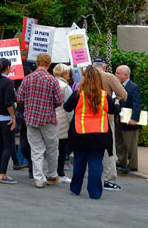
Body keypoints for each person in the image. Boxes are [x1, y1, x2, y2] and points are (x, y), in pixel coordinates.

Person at [63, 66, 118, 199]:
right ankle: (95, 193)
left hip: (80, 132)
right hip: (99, 133)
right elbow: (113, 111)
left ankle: (75, 188)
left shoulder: (78, 94)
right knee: (95, 163)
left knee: (79, 161)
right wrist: (116, 104)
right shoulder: (104, 95)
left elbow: (66, 107)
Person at [16, 53, 63, 188]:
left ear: (36, 63)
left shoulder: (27, 79)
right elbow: (59, 101)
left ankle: (38, 179)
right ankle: (51, 175)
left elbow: (19, 98)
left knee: (36, 150)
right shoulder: (52, 80)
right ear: (48, 65)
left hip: (31, 118)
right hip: (48, 118)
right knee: (52, 148)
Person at [92, 57, 127, 191]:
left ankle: (91, 176)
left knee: (90, 147)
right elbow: (123, 95)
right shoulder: (108, 77)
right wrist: (116, 100)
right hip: (106, 116)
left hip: (87, 116)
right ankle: (109, 180)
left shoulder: (87, 76)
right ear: (105, 66)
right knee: (108, 149)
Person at [0, 58, 18, 184]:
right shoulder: (8, 83)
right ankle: (2, 174)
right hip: (5, 117)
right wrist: (13, 117)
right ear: (8, 67)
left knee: (0, 144)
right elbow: (8, 103)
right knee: (9, 146)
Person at [115, 64, 142, 174]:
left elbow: (137, 104)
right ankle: (121, 161)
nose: (116, 75)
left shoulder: (134, 87)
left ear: (125, 75)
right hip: (119, 118)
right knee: (119, 142)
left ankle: (132, 164)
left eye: (118, 73)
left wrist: (134, 118)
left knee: (130, 143)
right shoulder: (118, 86)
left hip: (129, 119)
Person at [53, 63, 73, 184]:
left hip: (50, 118)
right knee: (62, 148)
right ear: (64, 73)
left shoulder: (50, 82)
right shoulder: (65, 87)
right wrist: (72, 121)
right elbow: (68, 106)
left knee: (51, 148)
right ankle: (60, 173)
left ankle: (51, 172)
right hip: (63, 119)